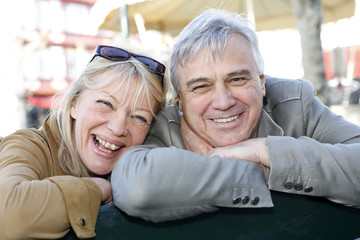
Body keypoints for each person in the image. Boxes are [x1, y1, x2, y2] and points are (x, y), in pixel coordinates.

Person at [111, 9, 360, 223]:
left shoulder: (295, 103)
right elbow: (137, 188)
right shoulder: (160, 128)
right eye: (201, 87)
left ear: (261, 83)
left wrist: (263, 151)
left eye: (237, 79)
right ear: (180, 101)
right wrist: (266, 170)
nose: (223, 102)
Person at [0, 45, 166, 239]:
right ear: (74, 105)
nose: (118, 127)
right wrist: (97, 189)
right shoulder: (28, 146)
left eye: (139, 117)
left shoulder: (143, 167)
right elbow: (8, 216)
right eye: (105, 104)